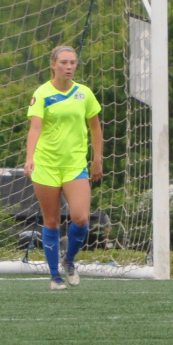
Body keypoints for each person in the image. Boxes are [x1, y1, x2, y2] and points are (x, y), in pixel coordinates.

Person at [24, 44, 104, 291]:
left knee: (80, 218)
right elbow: (35, 128)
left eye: (73, 62)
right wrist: (30, 158)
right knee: (51, 222)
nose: (69, 67)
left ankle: (69, 259)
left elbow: (95, 126)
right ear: (53, 65)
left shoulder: (84, 93)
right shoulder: (42, 93)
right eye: (64, 62)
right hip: (46, 165)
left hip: (75, 165)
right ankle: (54, 276)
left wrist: (98, 158)